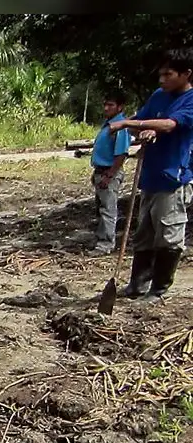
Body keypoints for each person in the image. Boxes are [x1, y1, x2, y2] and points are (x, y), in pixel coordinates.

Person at [111, 48, 193, 300]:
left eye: (168, 74)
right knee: (143, 234)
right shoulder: (159, 96)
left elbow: (170, 124)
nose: (162, 80)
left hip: (172, 178)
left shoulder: (190, 100)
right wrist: (141, 128)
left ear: (186, 74)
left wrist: (132, 124)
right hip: (149, 176)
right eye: (161, 74)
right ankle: (137, 285)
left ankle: (159, 289)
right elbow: (142, 120)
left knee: (168, 235)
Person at [88, 89, 131, 256]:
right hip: (100, 171)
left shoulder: (120, 127)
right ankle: (100, 238)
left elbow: (121, 154)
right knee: (100, 208)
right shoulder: (108, 124)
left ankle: (105, 244)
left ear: (120, 107)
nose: (106, 108)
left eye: (111, 105)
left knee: (108, 209)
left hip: (108, 173)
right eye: (105, 104)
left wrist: (110, 174)